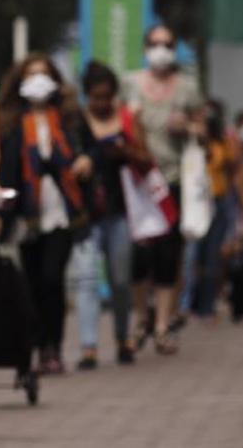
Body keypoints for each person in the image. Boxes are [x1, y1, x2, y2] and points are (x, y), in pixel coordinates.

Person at [0, 54, 91, 375]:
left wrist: (86, 161)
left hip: (62, 210)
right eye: (30, 76)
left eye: (44, 75)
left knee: (52, 278)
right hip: (26, 214)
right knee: (31, 283)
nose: (38, 83)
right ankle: (35, 344)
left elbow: (91, 151)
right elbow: (5, 170)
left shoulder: (69, 119)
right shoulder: (10, 124)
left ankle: (53, 348)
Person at [123, 23, 202, 355]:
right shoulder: (130, 83)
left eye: (168, 44)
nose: (161, 50)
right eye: (155, 43)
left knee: (169, 253)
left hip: (171, 179)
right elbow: (116, 122)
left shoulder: (187, 87)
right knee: (140, 253)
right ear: (145, 48)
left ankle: (162, 325)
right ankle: (141, 316)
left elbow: (204, 126)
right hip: (137, 180)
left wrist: (188, 126)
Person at [73, 61, 151, 369]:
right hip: (86, 214)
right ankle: (89, 346)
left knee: (120, 280)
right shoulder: (76, 123)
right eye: (96, 97)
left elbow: (147, 159)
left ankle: (123, 338)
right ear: (87, 96)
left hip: (120, 211)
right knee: (87, 279)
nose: (102, 103)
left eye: (107, 96)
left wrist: (126, 152)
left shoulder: (128, 120)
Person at [179, 99, 243, 319]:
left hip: (219, 202)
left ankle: (207, 304)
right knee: (192, 256)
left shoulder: (225, 141)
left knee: (213, 256)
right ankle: (185, 302)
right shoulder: (192, 139)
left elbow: (236, 171)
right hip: (195, 203)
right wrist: (198, 136)